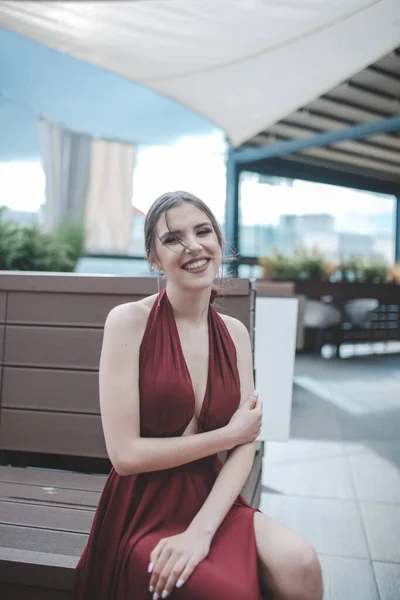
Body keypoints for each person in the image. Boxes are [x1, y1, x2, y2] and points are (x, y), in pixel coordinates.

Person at [75, 191, 323, 600]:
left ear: (218, 242)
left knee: (302, 563)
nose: (193, 244)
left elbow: (247, 444)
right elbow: (125, 456)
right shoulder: (127, 323)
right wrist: (227, 436)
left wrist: (201, 531)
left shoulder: (235, 334)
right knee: (223, 591)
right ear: (155, 258)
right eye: (173, 238)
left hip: (213, 500)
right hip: (143, 507)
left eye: (202, 231)